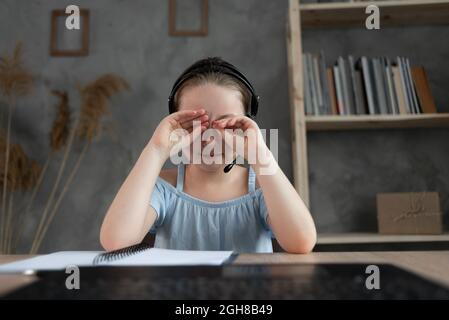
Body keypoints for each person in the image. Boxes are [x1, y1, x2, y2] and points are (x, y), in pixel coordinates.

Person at [100, 57, 316, 253]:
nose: (210, 139)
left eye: (227, 124)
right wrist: (156, 151)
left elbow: (301, 241)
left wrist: (261, 157)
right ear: (176, 124)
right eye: (197, 125)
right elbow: (116, 242)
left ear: (246, 126)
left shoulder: (262, 189)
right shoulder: (165, 189)